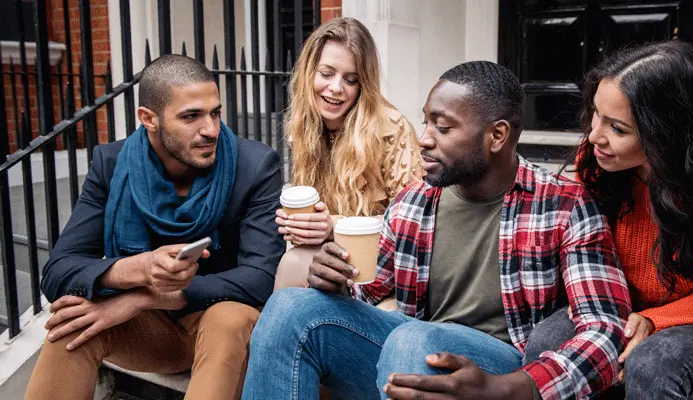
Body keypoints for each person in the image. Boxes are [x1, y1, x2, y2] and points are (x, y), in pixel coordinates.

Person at [242, 61, 632, 400]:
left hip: (499, 376)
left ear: (497, 136)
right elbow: (370, 290)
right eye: (426, 121)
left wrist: (521, 388)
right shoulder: (414, 201)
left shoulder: (565, 205)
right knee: (291, 307)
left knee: (417, 340)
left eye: (442, 128)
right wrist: (335, 280)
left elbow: (605, 328)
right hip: (407, 360)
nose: (424, 138)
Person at [24, 54, 285, 400]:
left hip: (225, 328)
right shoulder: (112, 164)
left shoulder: (254, 165)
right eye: (191, 116)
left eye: (215, 112)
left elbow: (261, 276)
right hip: (154, 335)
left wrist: (144, 297)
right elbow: (59, 271)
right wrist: (139, 269)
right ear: (148, 118)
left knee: (228, 320)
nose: (211, 129)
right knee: (71, 326)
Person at [537, 40, 693, 399]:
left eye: (618, 128)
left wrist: (656, 321)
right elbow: (583, 246)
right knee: (545, 343)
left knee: (650, 365)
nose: (595, 136)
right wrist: (587, 296)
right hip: (617, 304)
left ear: (666, 131)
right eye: (595, 115)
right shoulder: (599, 160)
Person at [273, 17, 423, 290]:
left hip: (381, 265)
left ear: (362, 85)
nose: (336, 88)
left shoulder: (390, 128)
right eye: (327, 74)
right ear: (309, 72)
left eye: (350, 79)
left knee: (295, 266)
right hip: (328, 258)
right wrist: (300, 224)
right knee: (292, 263)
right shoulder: (304, 127)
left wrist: (333, 226)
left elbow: (412, 218)